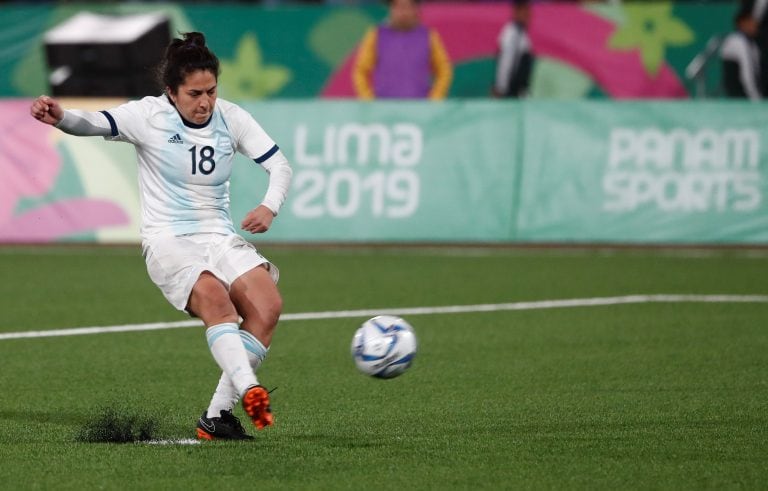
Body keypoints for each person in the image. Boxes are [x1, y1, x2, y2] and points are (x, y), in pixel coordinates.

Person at [30, 32, 293, 441]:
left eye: (211, 90)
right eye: (194, 93)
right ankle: (249, 389)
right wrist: (61, 117)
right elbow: (95, 123)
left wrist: (269, 206)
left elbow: (280, 166)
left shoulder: (231, 117)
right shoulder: (148, 116)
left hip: (217, 235)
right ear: (171, 92)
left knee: (267, 306)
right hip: (169, 240)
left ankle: (217, 417)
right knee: (217, 304)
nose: (205, 102)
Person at [352, 0, 452, 100]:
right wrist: (369, 101)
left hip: (419, 109)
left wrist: (434, 100)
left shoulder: (429, 36)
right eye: (398, 7)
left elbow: (444, 70)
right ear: (391, 9)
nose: (403, 12)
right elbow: (360, 70)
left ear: (416, 9)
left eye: (407, 7)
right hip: (384, 110)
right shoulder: (376, 35)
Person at [493, 0, 534, 98]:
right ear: (516, 13)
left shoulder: (522, 33)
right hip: (510, 91)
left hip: (518, 91)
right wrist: (500, 87)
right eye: (524, 12)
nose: (528, 15)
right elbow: (506, 62)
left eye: (528, 12)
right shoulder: (512, 34)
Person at [720, 9, 762, 100]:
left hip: (740, 98)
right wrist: (756, 99)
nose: (755, 25)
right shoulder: (737, 42)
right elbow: (747, 75)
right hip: (741, 99)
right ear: (742, 23)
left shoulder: (752, 44)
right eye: (751, 22)